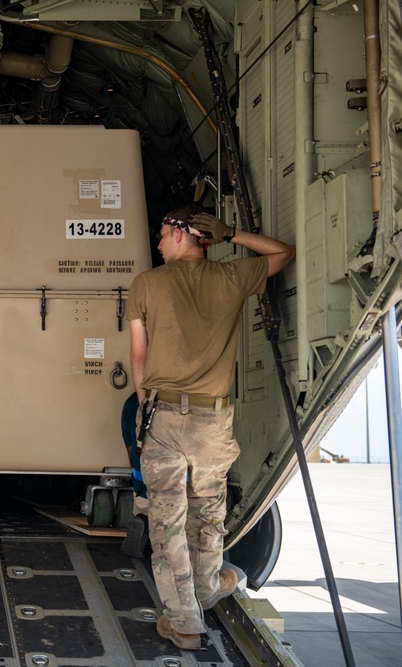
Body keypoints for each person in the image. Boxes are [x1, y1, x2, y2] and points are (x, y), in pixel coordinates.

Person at [126, 206, 295, 650]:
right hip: (212, 420)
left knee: (167, 520)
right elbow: (283, 253)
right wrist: (233, 234)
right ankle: (203, 592)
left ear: (183, 236)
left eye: (163, 234)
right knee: (207, 516)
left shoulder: (147, 283)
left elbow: (139, 358)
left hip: (163, 416)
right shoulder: (231, 277)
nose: (159, 243)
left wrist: (146, 409)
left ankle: (184, 621)